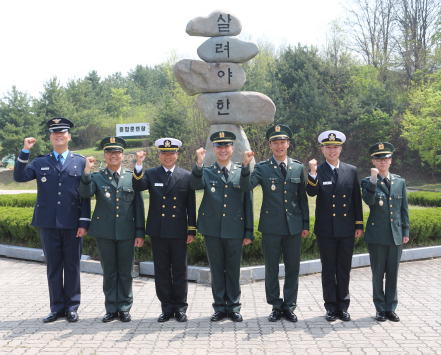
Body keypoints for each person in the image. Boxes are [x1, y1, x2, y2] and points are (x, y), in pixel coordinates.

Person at [13, 117, 91, 323]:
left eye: (63, 132)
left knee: (72, 265)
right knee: (53, 266)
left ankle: (72, 307)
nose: (59, 135)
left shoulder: (81, 161)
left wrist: (84, 222)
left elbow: (85, 194)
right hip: (48, 223)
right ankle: (56, 308)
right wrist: (25, 151)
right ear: (50, 137)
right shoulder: (40, 161)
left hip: (73, 223)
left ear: (69, 136)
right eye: (55, 132)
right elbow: (19, 177)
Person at [241, 124, 309, 322]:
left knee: (292, 267)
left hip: (293, 226)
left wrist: (305, 224)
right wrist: (246, 166)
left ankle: (289, 306)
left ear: (288, 143)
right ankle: (275, 305)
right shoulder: (262, 167)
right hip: (271, 226)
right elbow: (247, 187)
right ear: (270, 145)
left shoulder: (297, 167)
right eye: (275, 143)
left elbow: (302, 198)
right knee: (271, 267)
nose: (279, 146)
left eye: (283, 142)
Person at [79, 136, 145, 323]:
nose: (113, 155)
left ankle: (124, 307)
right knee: (109, 272)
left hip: (127, 232)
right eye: (109, 152)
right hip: (104, 231)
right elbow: (84, 193)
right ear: (105, 155)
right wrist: (86, 172)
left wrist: (140, 232)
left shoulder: (133, 177)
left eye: (117, 152)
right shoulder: (97, 176)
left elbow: (138, 206)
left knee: (125, 271)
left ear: (123, 155)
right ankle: (110, 308)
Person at [189, 131, 254, 322]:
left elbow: (248, 201)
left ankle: (233, 307)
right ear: (213, 149)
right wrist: (199, 163)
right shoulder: (207, 171)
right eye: (219, 146)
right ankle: (219, 307)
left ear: (232, 148)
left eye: (226, 146)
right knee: (216, 269)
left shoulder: (241, 171)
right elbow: (194, 185)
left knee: (233, 269)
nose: (223, 150)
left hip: (235, 229)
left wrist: (248, 231)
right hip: (212, 229)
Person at [132, 138, 196, 323]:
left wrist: (191, 229)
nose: (168, 156)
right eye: (164, 153)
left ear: (177, 155)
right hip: (158, 230)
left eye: (171, 153)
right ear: (159, 155)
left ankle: (181, 308)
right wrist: (138, 164)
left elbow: (190, 205)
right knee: (161, 270)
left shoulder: (186, 175)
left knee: (179, 270)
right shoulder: (151, 174)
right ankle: (166, 308)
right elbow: (138, 186)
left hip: (178, 231)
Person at [306, 130, 363, 322]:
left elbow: (356, 199)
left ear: (341, 149)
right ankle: (330, 306)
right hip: (326, 229)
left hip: (346, 228)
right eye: (328, 147)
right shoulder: (318, 170)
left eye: (336, 147)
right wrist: (312, 173)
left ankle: (343, 305)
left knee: (344, 268)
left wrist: (359, 224)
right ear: (322, 149)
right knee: (329, 268)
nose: (332, 150)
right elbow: (311, 192)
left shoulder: (351, 170)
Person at [361, 142, 409, 322]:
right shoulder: (367, 181)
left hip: (396, 235)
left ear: (391, 160)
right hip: (377, 236)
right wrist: (373, 180)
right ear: (373, 161)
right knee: (378, 274)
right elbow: (370, 201)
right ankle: (380, 308)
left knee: (393, 273)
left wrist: (405, 230)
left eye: (386, 158)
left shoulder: (400, 181)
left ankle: (391, 307)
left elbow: (403, 209)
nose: (383, 161)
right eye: (379, 159)